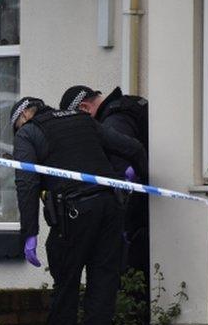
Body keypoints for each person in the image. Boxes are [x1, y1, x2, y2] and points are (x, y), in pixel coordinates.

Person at [11, 97, 147, 325]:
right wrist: (132, 182)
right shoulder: (83, 120)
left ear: (23, 115)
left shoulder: (28, 133)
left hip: (72, 212)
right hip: (109, 210)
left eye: (15, 125)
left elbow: (27, 182)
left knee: (67, 283)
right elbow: (132, 148)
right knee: (103, 283)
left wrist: (30, 233)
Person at [60, 85, 149, 277]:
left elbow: (126, 176)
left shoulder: (112, 124)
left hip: (140, 220)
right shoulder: (125, 107)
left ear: (84, 109)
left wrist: (122, 223)